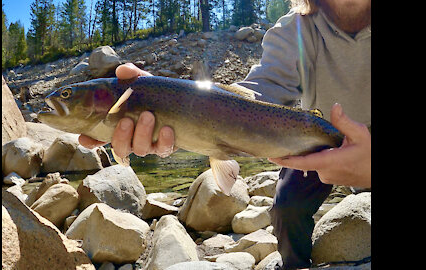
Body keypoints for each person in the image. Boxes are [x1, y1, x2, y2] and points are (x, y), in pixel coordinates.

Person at [80, 0, 371, 268]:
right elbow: (258, 95)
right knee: (286, 207)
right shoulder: (293, 28)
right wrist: (173, 101)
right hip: (316, 142)